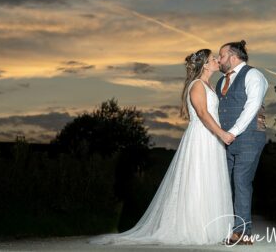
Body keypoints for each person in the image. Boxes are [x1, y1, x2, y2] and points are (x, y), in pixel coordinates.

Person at [88, 49, 234, 246]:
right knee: (197, 178)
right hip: (202, 137)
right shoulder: (197, 85)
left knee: (209, 178)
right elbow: (202, 113)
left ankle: (212, 227)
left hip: (212, 137)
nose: (217, 60)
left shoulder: (209, 85)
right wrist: (222, 133)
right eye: (213, 59)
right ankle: (195, 228)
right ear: (205, 65)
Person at [216, 40, 268, 245]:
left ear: (233, 57)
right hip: (224, 140)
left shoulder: (254, 75)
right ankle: (226, 227)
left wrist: (233, 132)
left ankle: (243, 233)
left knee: (241, 182)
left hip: (249, 137)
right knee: (223, 183)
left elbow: (252, 106)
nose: (218, 60)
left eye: (221, 56)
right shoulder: (221, 81)